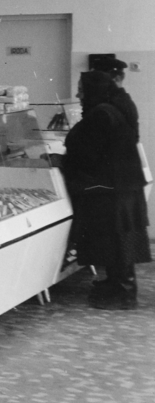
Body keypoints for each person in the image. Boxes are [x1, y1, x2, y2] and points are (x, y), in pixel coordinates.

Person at [61, 71, 146, 309]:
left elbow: (88, 154)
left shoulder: (101, 114)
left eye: (81, 89)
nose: (78, 94)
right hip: (123, 185)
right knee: (117, 240)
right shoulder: (111, 109)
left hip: (113, 188)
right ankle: (116, 284)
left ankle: (124, 294)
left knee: (116, 241)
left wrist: (64, 162)